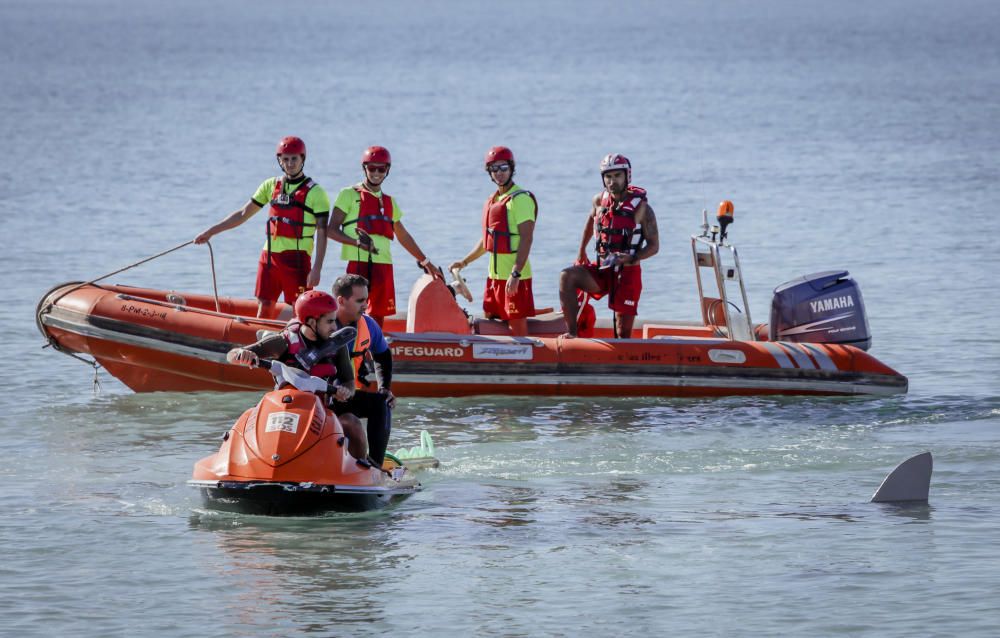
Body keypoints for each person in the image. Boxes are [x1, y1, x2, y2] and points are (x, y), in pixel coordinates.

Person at [194, 136, 330, 318]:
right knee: (265, 304)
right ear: (280, 160)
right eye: (285, 159)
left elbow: (322, 232)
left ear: (302, 159)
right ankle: (257, 343)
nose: (290, 164)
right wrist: (211, 232)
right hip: (269, 258)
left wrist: (317, 268)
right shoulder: (270, 185)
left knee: (299, 308)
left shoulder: (316, 193)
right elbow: (243, 214)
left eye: (294, 159)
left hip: (297, 259)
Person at [226, 290, 369, 461]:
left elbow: (348, 381)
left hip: (323, 410)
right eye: (330, 321)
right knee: (247, 417)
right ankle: (249, 460)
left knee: (352, 423)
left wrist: (345, 391)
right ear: (311, 322)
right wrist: (241, 353)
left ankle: (362, 466)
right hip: (285, 407)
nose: (335, 327)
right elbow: (231, 355)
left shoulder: (337, 346)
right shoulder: (283, 341)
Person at [326, 146, 440, 327]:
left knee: (378, 317)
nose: (376, 173)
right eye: (372, 168)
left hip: (384, 265)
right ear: (365, 168)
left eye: (381, 169)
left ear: (388, 170)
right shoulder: (348, 194)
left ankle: (374, 350)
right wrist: (356, 243)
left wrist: (426, 262)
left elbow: (403, 235)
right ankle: (347, 349)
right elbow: (330, 230)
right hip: (358, 265)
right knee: (351, 313)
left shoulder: (389, 202)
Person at [559, 153, 659, 338]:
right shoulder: (599, 201)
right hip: (603, 269)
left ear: (627, 176)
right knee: (567, 276)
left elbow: (654, 246)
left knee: (622, 332)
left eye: (617, 176)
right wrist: (581, 251)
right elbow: (591, 220)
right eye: (608, 177)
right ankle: (572, 334)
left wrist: (633, 257)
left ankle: (623, 358)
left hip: (628, 273)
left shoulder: (643, 209)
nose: (612, 181)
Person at [449, 146, 538, 336]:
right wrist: (464, 261)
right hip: (494, 277)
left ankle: (524, 362)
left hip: (515, 277)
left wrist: (516, 274)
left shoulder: (520, 199)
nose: (499, 173)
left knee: (517, 328)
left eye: (503, 168)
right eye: (494, 169)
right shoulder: (494, 200)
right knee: (490, 316)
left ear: (511, 168)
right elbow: (488, 240)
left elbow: (527, 238)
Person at [329, 273, 396, 466]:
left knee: (383, 402)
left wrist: (385, 388)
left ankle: (375, 465)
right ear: (341, 301)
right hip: (322, 397)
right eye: (360, 301)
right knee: (350, 420)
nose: (365, 305)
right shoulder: (324, 324)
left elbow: (383, 355)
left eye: (366, 300)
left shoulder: (368, 325)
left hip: (349, 395)